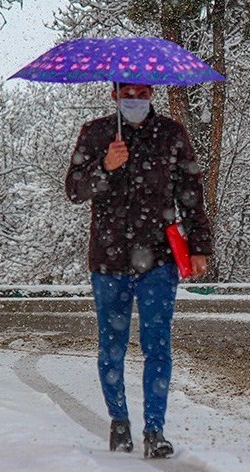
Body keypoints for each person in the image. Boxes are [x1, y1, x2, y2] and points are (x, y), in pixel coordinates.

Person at [65, 82, 213, 458]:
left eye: (142, 92)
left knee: (158, 345)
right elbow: (74, 190)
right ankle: (119, 423)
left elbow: (190, 194)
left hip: (159, 259)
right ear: (114, 94)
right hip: (109, 258)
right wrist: (105, 166)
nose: (135, 99)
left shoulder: (171, 134)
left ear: (152, 94)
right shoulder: (97, 133)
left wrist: (199, 246)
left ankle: (154, 430)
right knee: (111, 346)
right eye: (127, 92)